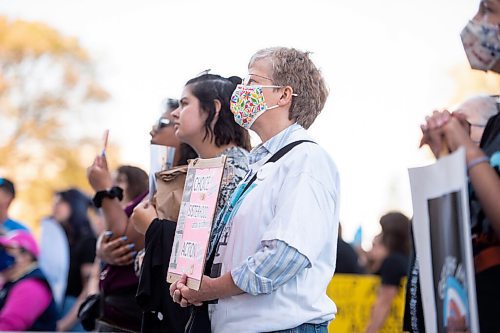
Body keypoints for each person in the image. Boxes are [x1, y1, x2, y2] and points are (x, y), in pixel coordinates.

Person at [169, 47, 339, 333]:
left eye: (252, 82)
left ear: (284, 95)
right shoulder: (262, 163)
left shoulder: (305, 160)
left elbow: (284, 256)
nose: (241, 90)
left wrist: (212, 289)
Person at [132, 74, 251, 332]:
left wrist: (153, 227)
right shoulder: (197, 170)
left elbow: (214, 254)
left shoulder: (238, 171)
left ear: (215, 109)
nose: (175, 113)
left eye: (185, 104)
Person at [86, 164, 149, 332]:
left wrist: (103, 190)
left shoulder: (142, 209)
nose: (113, 185)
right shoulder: (110, 216)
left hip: (129, 310)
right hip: (107, 307)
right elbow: (95, 270)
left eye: (119, 181)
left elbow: (120, 240)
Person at [53, 188, 96, 331]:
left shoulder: (88, 241)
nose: (54, 207)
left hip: (75, 316)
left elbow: (88, 291)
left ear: (75, 205)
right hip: (60, 307)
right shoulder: (64, 241)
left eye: (60, 202)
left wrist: (64, 324)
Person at [0, 230, 59, 331]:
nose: (3, 255)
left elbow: (8, 327)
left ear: (26, 256)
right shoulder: (12, 280)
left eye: (7, 250)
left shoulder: (31, 286)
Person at [365, 212, 410, 333]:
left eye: (382, 231)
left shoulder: (393, 262)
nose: (378, 236)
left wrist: (370, 330)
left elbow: (384, 302)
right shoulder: (406, 258)